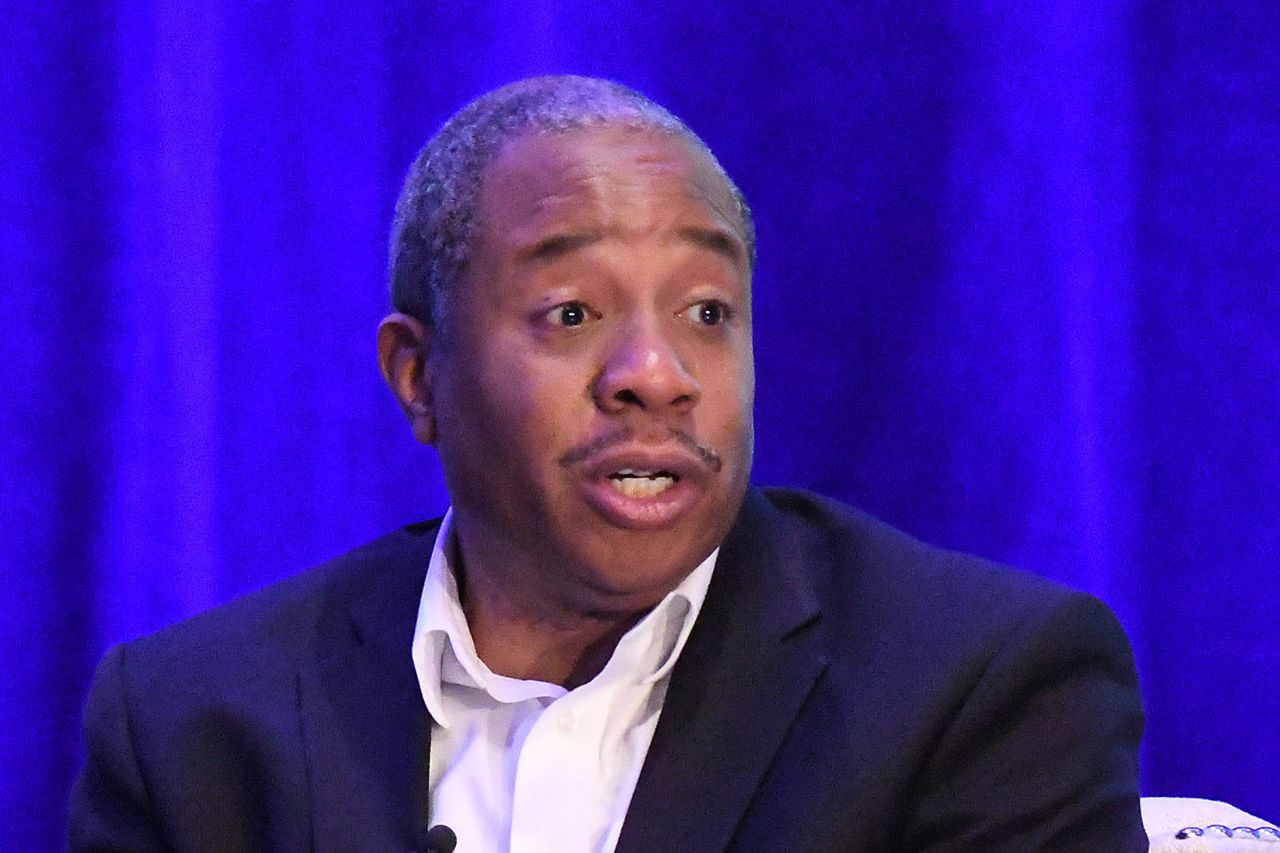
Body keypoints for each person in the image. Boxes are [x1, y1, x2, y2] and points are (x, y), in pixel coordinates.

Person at [68, 76, 1147, 852]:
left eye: (706, 311)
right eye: (572, 311)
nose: (655, 373)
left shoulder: (974, 688)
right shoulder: (193, 725)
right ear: (417, 374)